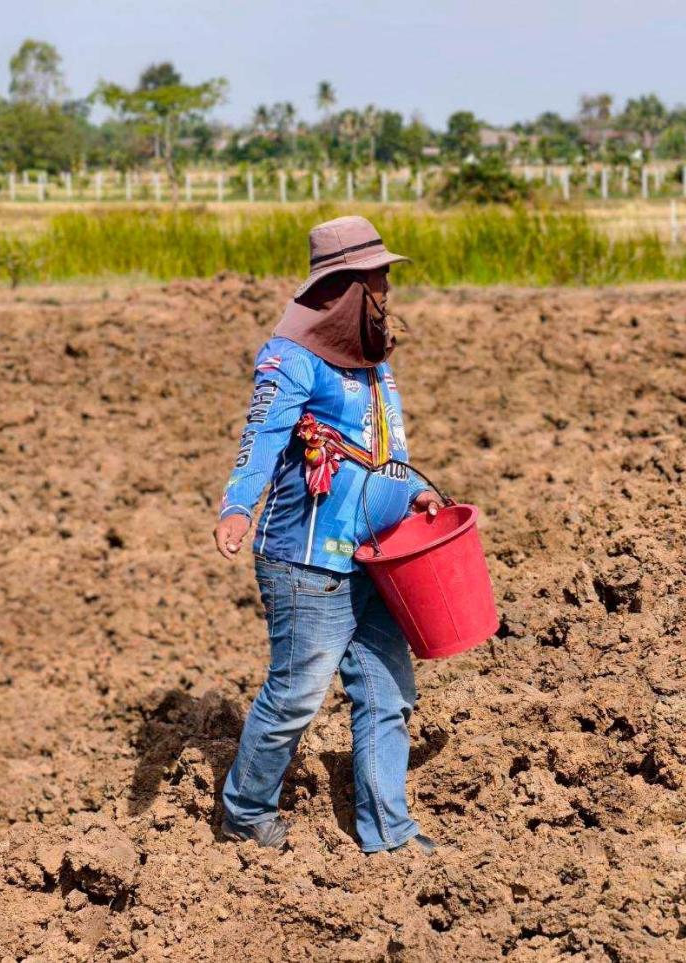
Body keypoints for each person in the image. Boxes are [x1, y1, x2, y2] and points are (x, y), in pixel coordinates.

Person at [213, 216, 443, 853]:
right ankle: (246, 812)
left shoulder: (374, 363)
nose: (387, 289)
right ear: (345, 286)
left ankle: (388, 834)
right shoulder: (291, 361)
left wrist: (412, 491)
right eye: (377, 279)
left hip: (376, 558)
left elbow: (384, 448)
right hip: (306, 561)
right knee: (295, 697)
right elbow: (260, 438)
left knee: (387, 694)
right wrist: (238, 505)